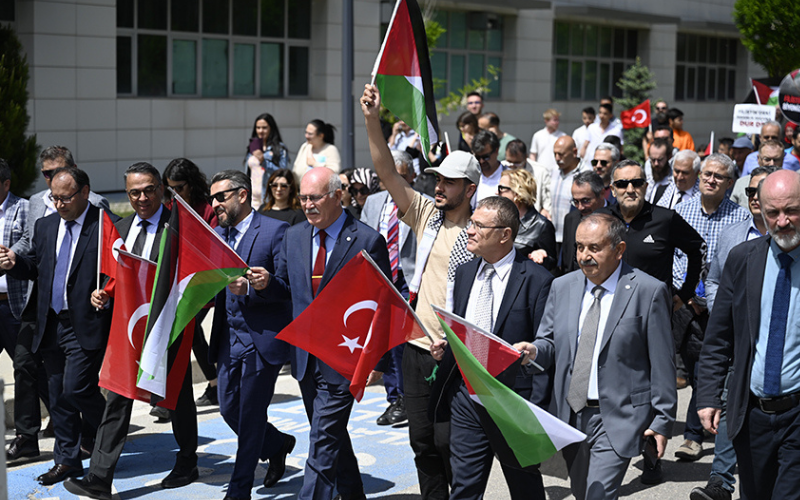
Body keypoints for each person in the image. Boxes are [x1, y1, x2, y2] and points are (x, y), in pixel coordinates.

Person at [362, 83, 479, 499]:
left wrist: (452, 341)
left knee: (451, 444)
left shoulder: (482, 232)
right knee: (422, 441)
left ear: (469, 188)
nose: (439, 186)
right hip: (415, 344)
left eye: (449, 182)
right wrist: (372, 121)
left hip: (457, 352)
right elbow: (387, 173)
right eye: (437, 179)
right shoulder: (426, 214)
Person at [64, 163, 200, 499]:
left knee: (178, 398)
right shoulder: (120, 229)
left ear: (161, 189)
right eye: (134, 192)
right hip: (129, 332)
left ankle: (187, 461)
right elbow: (117, 277)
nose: (142, 197)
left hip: (170, 329)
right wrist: (104, 293)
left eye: (148, 189)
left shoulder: (181, 226)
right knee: (118, 398)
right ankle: (99, 477)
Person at [518, 213, 676, 500]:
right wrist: (534, 351)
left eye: (594, 248)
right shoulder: (562, 287)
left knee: (597, 495)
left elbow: (662, 362)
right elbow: (549, 341)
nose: (584, 256)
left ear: (619, 249)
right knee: (582, 493)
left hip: (618, 415)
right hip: (570, 416)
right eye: (579, 247)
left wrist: (662, 421)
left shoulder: (648, 291)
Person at [257, 166, 390, 500]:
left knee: (321, 442)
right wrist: (265, 284)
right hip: (305, 359)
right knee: (330, 437)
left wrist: (378, 361)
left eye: (314, 197)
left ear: (337, 196)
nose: (307, 204)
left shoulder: (367, 240)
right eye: (303, 197)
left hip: (344, 359)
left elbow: (382, 304)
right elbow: (288, 288)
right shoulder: (295, 235)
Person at [429, 196, 553, 500]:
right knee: (465, 487)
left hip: (511, 402)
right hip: (467, 396)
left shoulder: (538, 279)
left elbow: (548, 344)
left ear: (504, 234)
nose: (469, 230)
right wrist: (447, 345)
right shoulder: (465, 273)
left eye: (478, 225)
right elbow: (465, 328)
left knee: (524, 486)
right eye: (471, 223)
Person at [0, 168, 112, 485]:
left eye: (66, 197)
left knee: (76, 389)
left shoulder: (103, 226)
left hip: (85, 322)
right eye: (55, 197)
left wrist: (106, 291)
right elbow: (35, 267)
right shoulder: (46, 225)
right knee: (58, 397)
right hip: (50, 322)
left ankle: (110, 429)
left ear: (85, 192)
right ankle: (67, 461)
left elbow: (118, 270)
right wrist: (14, 263)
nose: (59, 204)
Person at [697, 170, 800, 499]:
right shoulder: (743, 259)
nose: (782, 221)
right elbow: (719, 337)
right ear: (760, 210)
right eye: (773, 212)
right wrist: (709, 397)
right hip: (752, 413)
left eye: (792, 210)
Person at [205, 170, 296, 498]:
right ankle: (277, 444)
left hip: (261, 341)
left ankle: (239, 489)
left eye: (220, 197)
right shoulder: (216, 234)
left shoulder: (274, 231)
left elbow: (287, 288)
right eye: (212, 198)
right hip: (228, 340)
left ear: (242, 195)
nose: (214, 204)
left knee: (251, 414)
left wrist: (261, 286)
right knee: (229, 409)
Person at [690, 167, 770, 500]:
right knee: (729, 403)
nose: (754, 198)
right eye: (749, 192)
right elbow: (715, 278)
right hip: (737, 338)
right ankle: (720, 482)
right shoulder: (733, 236)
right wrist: (719, 310)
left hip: (773, 340)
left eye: (760, 192)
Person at [672, 153, 750, 463]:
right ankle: (701, 422)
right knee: (691, 370)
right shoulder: (680, 212)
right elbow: (671, 258)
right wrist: (686, 292)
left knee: (710, 366)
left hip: (720, 308)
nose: (711, 179)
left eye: (719, 176)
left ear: (730, 183)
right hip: (684, 304)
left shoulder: (740, 219)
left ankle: (693, 436)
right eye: (707, 173)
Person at [361, 151, 422, 426]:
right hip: (379, 277)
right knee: (384, 339)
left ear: (411, 177)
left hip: (407, 278)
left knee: (403, 341)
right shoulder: (374, 202)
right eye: (389, 177)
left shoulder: (422, 204)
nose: (393, 182)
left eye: (400, 176)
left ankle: (406, 398)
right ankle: (393, 398)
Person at [163, 158, 220, 408]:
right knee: (191, 336)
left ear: (192, 183)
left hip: (201, 284)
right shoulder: (168, 206)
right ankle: (214, 382)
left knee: (189, 334)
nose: (175, 193)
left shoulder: (207, 208)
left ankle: (172, 397)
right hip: (175, 284)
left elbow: (214, 248)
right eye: (170, 188)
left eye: (180, 187)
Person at [497, 169, 556, 271]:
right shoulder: (498, 220)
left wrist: (540, 257)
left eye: (501, 188)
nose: (497, 193)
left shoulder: (541, 225)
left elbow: (552, 265)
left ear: (517, 193)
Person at [561, 172, 607, 275]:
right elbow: (566, 261)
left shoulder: (616, 218)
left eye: (585, 201)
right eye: (575, 202)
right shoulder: (570, 219)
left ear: (601, 194)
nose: (580, 207)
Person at [245, 113, 290, 208]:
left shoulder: (279, 148)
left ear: (271, 128)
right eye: (258, 128)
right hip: (252, 196)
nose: (261, 131)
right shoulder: (253, 147)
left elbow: (282, 172)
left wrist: (263, 162)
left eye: (264, 128)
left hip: (268, 196)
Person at [502, 139, 551, 218]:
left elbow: (547, 200)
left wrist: (545, 210)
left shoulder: (540, 171)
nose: (513, 166)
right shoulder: (501, 167)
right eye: (509, 162)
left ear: (525, 157)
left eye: (517, 163)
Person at [730, 139, 785, 208]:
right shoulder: (741, 183)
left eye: (776, 160)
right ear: (758, 159)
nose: (772, 164)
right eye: (767, 159)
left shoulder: (791, 184)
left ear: (783, 159)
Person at [551, 136, 583, 250]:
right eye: (555, 154)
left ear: (574, 152)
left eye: (561, 154)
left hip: (574, 238)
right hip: (553, 237)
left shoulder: (584, 173)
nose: (557, 158)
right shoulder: (554, 171)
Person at [472, 130, 504, 204]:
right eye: (477, 157)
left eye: (486, 157)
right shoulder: (471, 177)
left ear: (496, 151)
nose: (481, 161)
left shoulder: (510, 178)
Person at [646, 139, 673, 204]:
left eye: (660, 160)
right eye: (653, 160)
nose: (656, 164)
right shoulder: (649, 182)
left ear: (669, 157)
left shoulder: (673, 184)